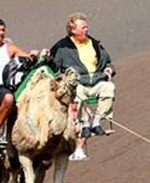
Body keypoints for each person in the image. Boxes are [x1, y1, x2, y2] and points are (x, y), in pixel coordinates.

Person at [49, 12, 116, 160]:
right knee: (77, 93)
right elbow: (52, 66)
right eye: (83, 27)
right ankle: (85, 122)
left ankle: (97, 121)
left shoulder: (95, 44)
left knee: (109, 88)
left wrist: (109, 69)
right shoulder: (62, 47)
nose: (87, 29)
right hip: (78, 83)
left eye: (87, 27)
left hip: (97, 80)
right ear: (73, 30)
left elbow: (108, 61)